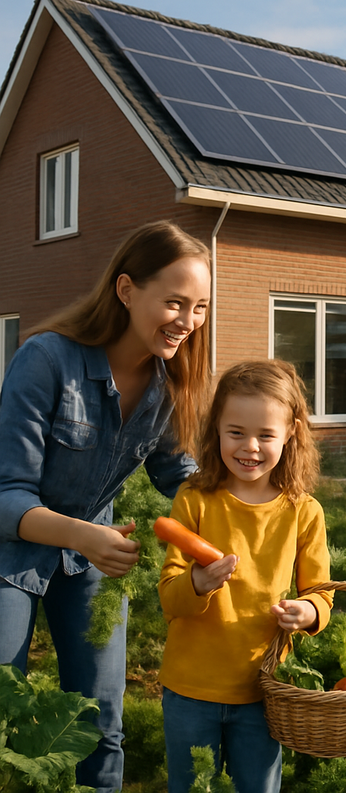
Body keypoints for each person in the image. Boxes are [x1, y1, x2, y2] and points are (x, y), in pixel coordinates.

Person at [0, 220, 212, 793]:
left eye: (198, 308)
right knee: (3, 710)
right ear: (125, 290)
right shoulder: (45, 359)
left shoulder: (168, 385)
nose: (188, 322)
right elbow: (6, 496)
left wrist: (240, 502)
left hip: (92, 555)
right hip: (10, 553)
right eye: (174, 302)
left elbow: (178, 476)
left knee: (101, 721)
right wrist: (83, 536)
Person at [158, 359, 333, 793]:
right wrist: (198, 583)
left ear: (291, 432)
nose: (249, 447)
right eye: (235, 432)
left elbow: (322, 594)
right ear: (216, 427)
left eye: (266, 435)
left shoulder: (303, 512)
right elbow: (169, 599)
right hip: (190, 688)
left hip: (262, 690)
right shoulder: (195, 500)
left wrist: (307, 612)